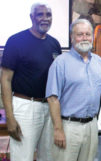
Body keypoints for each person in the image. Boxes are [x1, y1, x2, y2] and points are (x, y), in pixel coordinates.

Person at [0, 3, 61, 161]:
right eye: (40, 14)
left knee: (48, 157)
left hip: (49, 108)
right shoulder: (15, 41)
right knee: (22, 157)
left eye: (48, 15)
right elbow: (5, 79)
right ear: (31, 17)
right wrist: (10, 117)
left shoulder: (54, 44)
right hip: (25, 107)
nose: (45, 18)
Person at [46, 19, 101, 161]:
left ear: (93, 37)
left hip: (91, 126)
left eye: (88, 34)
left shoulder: (99, 62)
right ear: (72, 38)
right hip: (68, 126)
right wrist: (58, 129)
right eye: (80, 34)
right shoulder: (60, 62)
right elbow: (52, 98)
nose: (84, 38)